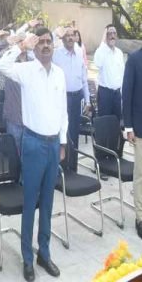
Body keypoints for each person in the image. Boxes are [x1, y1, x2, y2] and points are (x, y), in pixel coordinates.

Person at [0, 28, 67, 281]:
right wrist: (22, 46)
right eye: (41, 42)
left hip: (53, 145)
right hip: (33, 143)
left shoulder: (59, 73)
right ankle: (27, 258)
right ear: (35, 46)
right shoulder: (26, 70)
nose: (46, 45)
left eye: (49, 41)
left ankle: (44, 254)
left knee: (48, 203)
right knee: (30, 203)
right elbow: (2, 65)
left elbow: (63, 111)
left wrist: (62, 142)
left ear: (53, 46)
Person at [52, 26, 91, 172]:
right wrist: (55, 33)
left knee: (74, 133)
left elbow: (84, 80)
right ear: (62, 38)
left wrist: (88, 101)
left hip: (77, 99)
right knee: (62, 133)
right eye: (66, 35)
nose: (70, 37)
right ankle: (61, 169)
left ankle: (73, 168)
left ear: (75, 37)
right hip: (62, 99)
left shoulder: (79, 53)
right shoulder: (56, 54)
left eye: (72, 35)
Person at [123, 47, 142, 239]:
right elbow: (127, 94)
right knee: (141, 175)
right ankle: (141, 217)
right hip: (140, 128)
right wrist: (128, 127)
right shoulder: (135, 60)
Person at [96, 25, 126, 120]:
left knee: (116, 122)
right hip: (105, 94)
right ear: (105, 36)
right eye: (109, 33)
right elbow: (97, 63)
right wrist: (103, 42)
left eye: (114, 33)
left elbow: (122, 74)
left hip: (117, 94)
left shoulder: (119, 53)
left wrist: (122, 95)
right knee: (104, 123)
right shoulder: (101, 51)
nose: (112, 36)